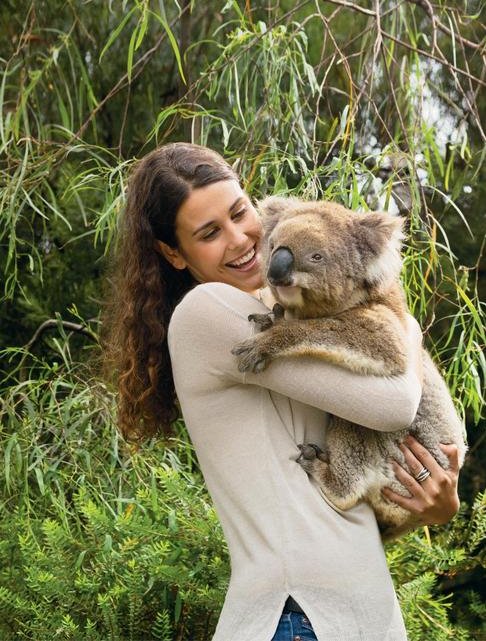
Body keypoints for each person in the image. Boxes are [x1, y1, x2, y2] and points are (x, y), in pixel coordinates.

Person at [106, 142, 461, 641]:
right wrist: (408, 329)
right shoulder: (207, 313)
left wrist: (437, 506)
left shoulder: (289, 305)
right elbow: (394, 403)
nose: (239, 239)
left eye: (238, 212)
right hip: (298, 615)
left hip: (357, 614)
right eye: (209, 233)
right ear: (172, 253)